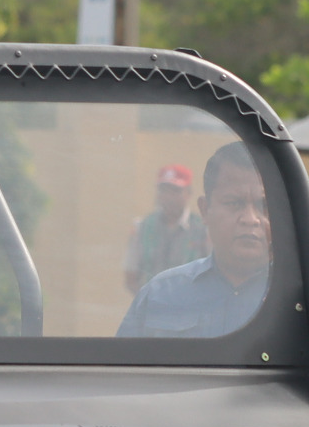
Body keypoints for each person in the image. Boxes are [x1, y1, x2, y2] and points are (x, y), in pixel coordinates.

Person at [117, 143, 275, 339]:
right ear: (205, 209)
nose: (250, 219)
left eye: (264, 206)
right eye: (234, 203)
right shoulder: (157, 295)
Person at [123, 163, 207, 293]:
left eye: (175, 191)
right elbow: (130, 277)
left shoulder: (204, 230)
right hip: (151, 308)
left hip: (190, 309)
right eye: (164, 190)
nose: (168, 197)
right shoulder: (141, 228)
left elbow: (213, 277)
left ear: (188, 193)